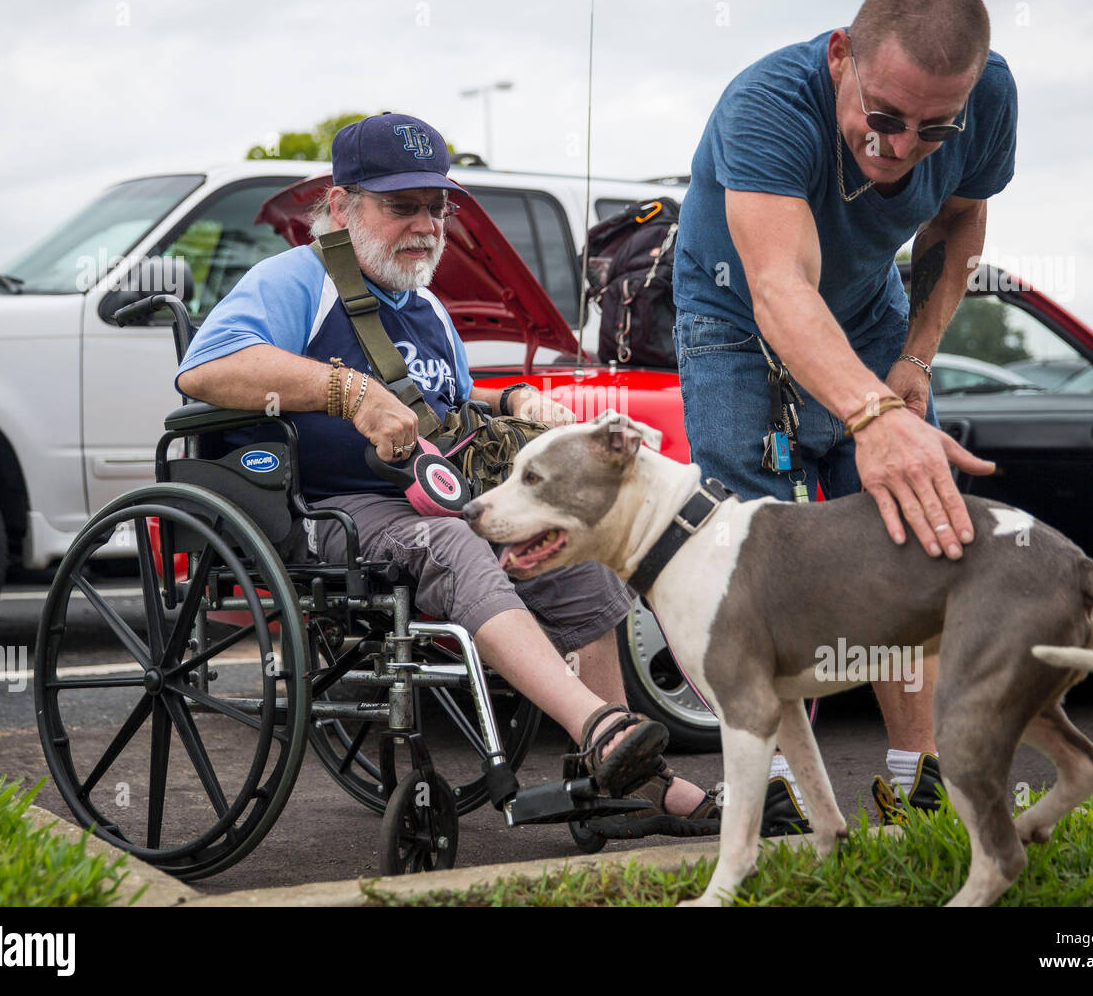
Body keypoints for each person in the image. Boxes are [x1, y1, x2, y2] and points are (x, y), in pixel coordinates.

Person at [176, 112, 717, 834]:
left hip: (434, 500)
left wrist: (515, 397)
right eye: (403, 206)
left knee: (571, 542)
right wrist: (348, 391)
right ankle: (604, 732)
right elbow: (205, 370)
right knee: (452, 546)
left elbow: (448, 408)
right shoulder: (294, 281)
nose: (427, 224)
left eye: (438, 206)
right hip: (328, 509)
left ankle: (621, 783)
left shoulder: (426, 305)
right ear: (341, 207)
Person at [672, 0, 1016, 828]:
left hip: (868, 309)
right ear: (840, 57)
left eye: (934, 128)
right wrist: (870, 417)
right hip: (736, 317)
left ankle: (917, 776)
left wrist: (916, 360)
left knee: (913, 531)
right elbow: (779, 286)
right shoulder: (766, 105)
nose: (900, 146)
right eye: (885, 117)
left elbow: (961, 220)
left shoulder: (991, 96)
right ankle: (778, 784)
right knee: (751, 555)